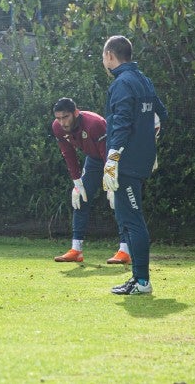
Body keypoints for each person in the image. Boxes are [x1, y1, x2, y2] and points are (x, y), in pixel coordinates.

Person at [101, 35, 167, 295]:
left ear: (110, 56)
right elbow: (161, 114)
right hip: (140, 160)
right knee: (125, 216)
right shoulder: (144, 80)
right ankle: (137, 279)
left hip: (126, 163)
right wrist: (149, 142)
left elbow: (122, 123)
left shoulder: (122, 83)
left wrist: (112, 158)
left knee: (132, 219)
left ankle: (142, 282)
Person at [51, 97, 131, 264]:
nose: (62, 122)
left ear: (76, 113)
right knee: (81, 197)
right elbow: (68, 153)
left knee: (119, 200)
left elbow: (107, 151)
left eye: (65, 117)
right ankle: (76, 250)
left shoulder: (94, 124)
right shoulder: (57, 127)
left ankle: (125, 250)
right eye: (58, 118)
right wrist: (76, 182)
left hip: (114, 159)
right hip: (94, 159)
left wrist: (110, 185)